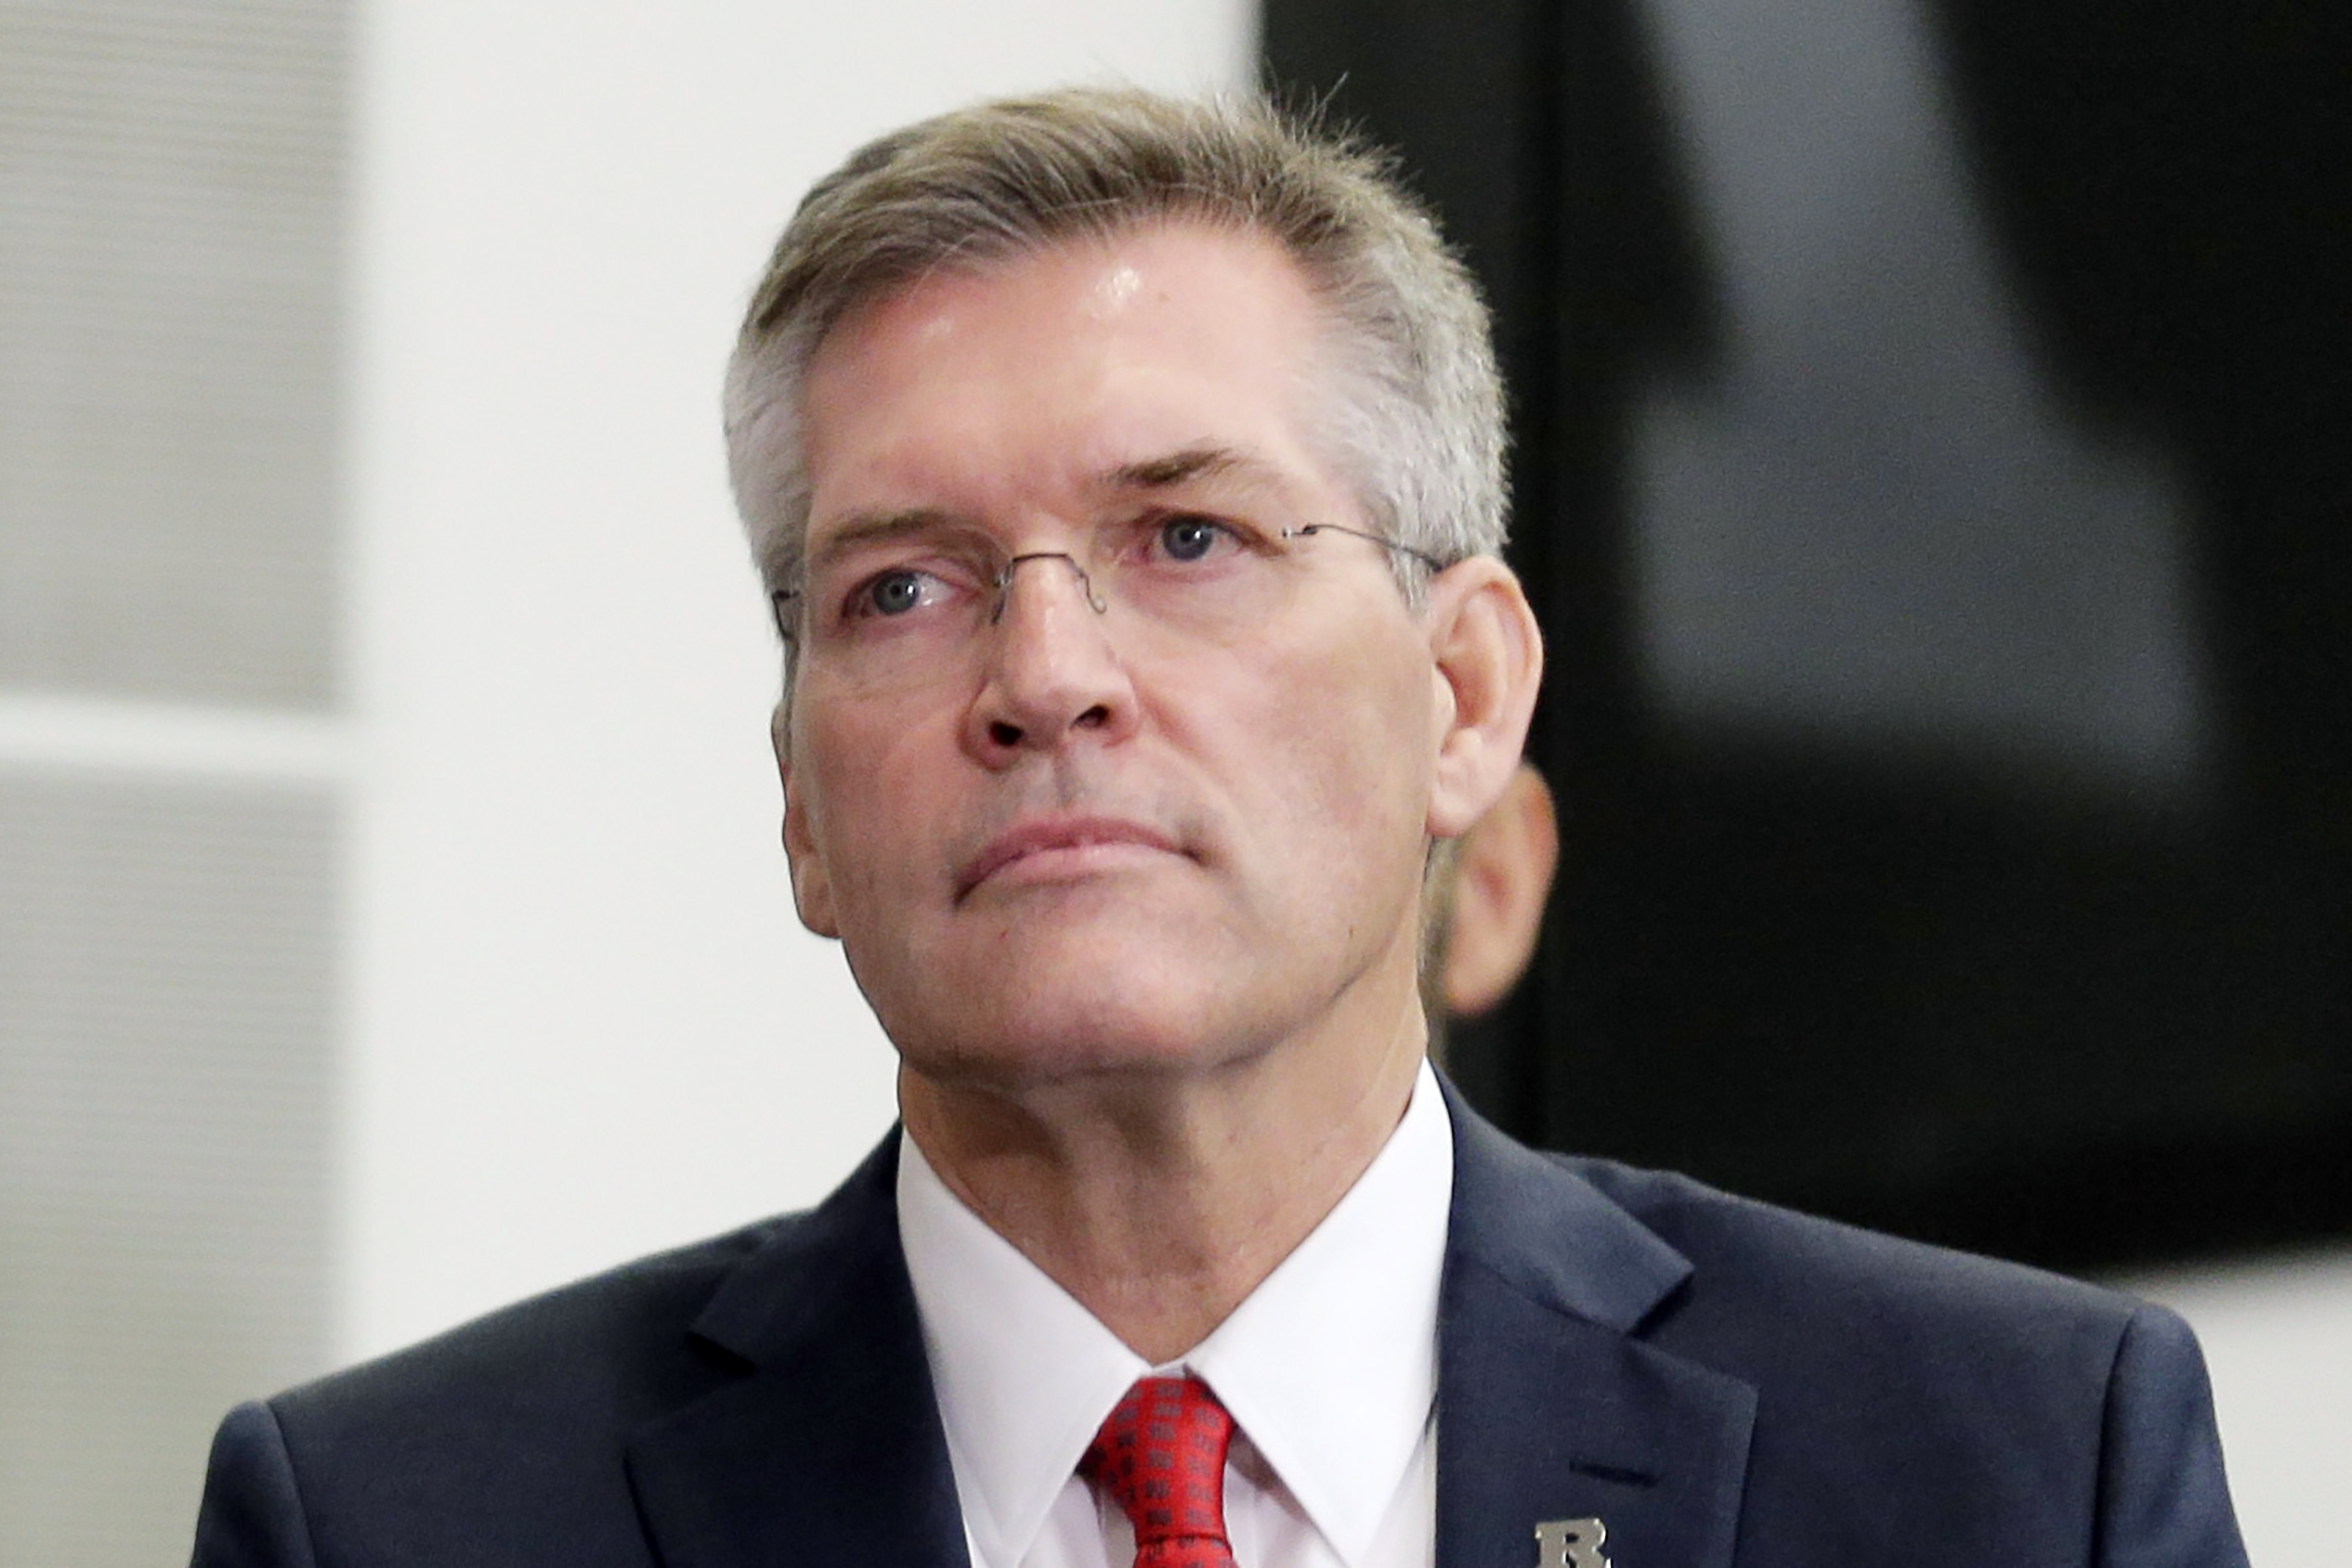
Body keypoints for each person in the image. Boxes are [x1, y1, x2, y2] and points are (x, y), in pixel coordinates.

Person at [189, 88, 2244, 1568]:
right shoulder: (392, 1518)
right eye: (904, 584)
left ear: (1461, 696)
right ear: (803, 803)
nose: (1045, 669)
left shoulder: (2007, 1469)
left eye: (1187, 534)